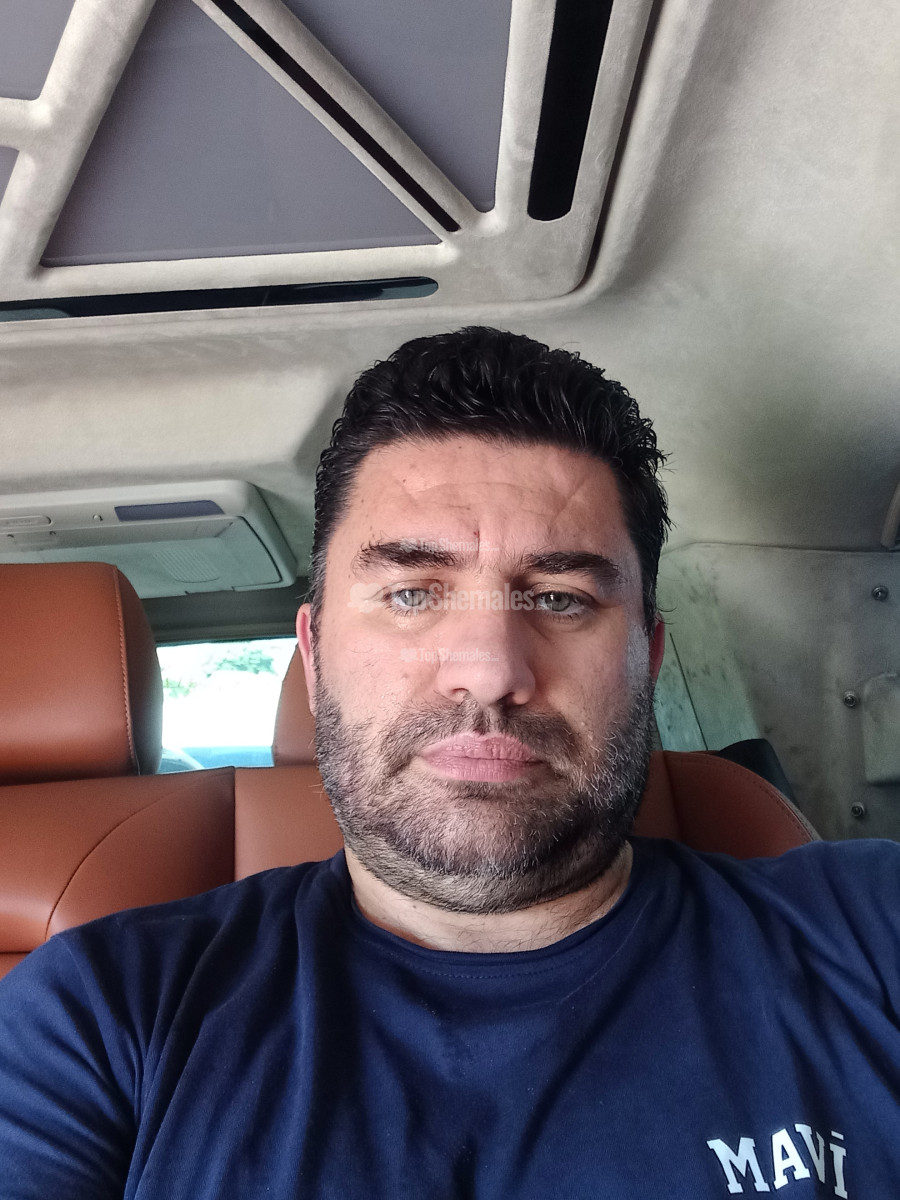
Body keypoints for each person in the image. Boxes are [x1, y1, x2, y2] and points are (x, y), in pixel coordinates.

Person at [0, 326, 898, 1198]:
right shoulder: (98, 1015)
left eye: (559, 597)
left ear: (648, 659)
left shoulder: (869, 931)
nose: (491, 671)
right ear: (314, 655)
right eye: (410, 594)